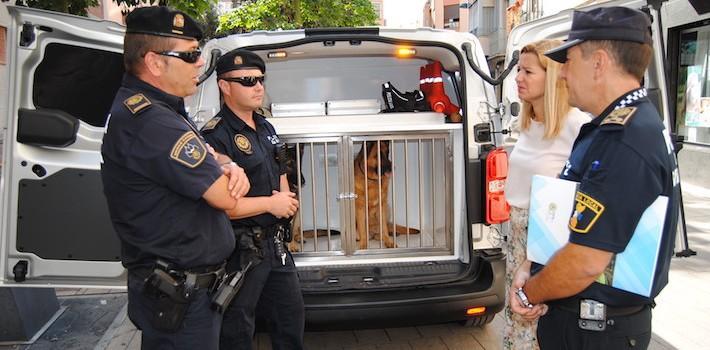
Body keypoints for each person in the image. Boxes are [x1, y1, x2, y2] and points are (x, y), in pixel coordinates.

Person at [509, 6, 680, 349]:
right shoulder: (607, 128)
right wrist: (531, 265)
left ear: (599, 63)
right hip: (583, 321)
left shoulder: (625, 139)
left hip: (597, 330)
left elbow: (585, 263)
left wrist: (529, 293)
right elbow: (567, 211)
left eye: (569, 61)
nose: (562, 75)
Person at [101, 7, 250, 349]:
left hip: (182, 291)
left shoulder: (162, 109)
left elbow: (211, 157)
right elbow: (225, 198)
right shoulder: (152, 120)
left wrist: (228, 164)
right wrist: (226, 172)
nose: (200, 63)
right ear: (154, 62)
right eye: (191, 54)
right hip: (180, 295)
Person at [200, 49, 304, 350]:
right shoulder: (215, 137)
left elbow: (280, 167)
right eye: (247, 81)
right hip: (240, 251)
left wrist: (284, 200)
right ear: (224, 86)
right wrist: (271, 205)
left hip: (275, 245)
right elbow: (221, 205)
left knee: (291, 320)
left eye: (260, 79)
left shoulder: (266, 127)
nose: (258, 86)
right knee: (237, 329)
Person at [503, 39, 589, 350]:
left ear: (552, 77)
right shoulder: (526, 123)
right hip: (517, 238)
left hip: (549, 242)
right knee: (518, 327)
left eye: (528, 71)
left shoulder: (577, 125)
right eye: (518, 70)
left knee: (539, 331)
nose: (518, 78)